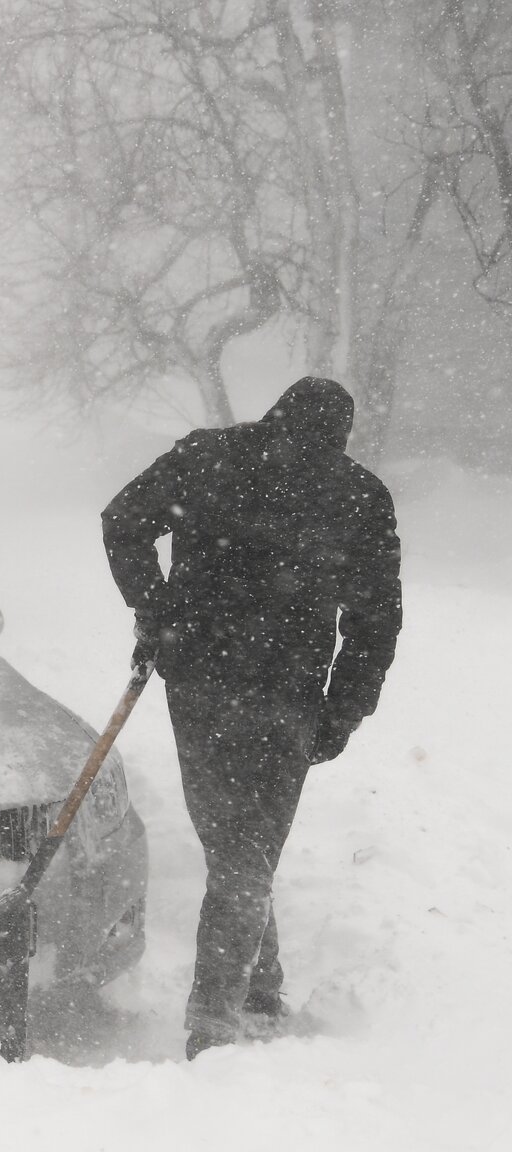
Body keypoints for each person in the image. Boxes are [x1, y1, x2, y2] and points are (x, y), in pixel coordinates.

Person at [101, 376, 402, 1060]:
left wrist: (159, 608)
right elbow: (375, 621)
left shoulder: (207, 457)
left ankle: (247, 991)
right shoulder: (354, 493)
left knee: (234, 843)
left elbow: (122, 523)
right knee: (246, 846)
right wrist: (345, 707)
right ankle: (219, 1012)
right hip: (281, 692)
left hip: (203, 681)